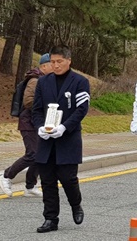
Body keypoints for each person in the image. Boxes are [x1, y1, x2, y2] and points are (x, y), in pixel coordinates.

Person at [32, 46, 90, 233]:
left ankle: (75, 204)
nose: (55, 65)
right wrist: (40, 127)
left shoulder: (80, 81)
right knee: (47, 180)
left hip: (68, 138)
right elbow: (36, 109)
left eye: (59, 62)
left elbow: (81, 109)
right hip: (47, 138)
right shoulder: (43, 82)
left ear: (69, 60)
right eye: (53, 62)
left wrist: (64, 127)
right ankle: (50, 218)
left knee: (68, 178)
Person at [0, 54, 53, 198]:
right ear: (44, 66)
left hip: (39, 122)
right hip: (28, 122)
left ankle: (30, 186)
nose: (55, 67)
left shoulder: (47, 80)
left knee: (41, 154)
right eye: (52, 64)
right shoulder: (35, 81)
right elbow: (28, 102)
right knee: (33, 154)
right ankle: (6, 176)